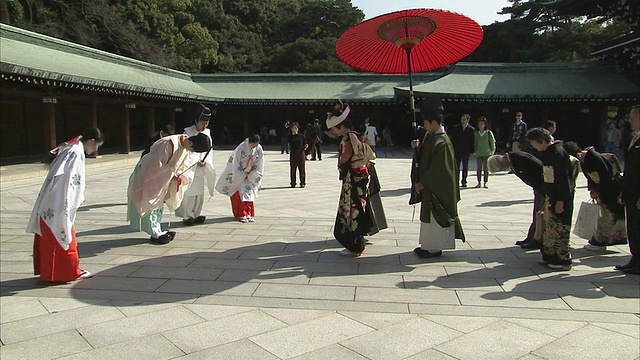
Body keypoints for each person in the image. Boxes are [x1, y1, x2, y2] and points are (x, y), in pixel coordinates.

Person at [27, 128, 104, 282]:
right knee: (64, 237)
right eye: (96, 146)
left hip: (53, 200)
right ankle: (68, 272)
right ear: (91, 141)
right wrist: (74, 198)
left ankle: (51, 274)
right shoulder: (75, 152)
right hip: (59, 202)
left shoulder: (71, 148)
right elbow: (70, 181)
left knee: (52, 239)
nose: (95, 150)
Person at [127, 133, 211, 244]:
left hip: (164, 177)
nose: (190, 151)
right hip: (149, 175)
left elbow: (182, 165)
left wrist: (178, 175)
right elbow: (155, 164)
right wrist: (171, 175)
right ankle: (154, 232)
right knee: (151, 201)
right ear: (191, 143)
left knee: (159, 203)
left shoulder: (184, 145)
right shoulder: (168, 143)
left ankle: (157, 229)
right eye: (192, 149)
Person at [411, 105, 465, 259]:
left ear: (434, 122)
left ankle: (435, 248)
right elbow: (425, 156)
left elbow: (440, 168)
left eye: (427, 123)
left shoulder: (443, 142)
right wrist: (417, 148)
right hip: (430, 185)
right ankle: (428, 245)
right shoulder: (431, 137)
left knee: (436, 216)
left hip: (436, 186)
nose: (425, 126)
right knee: (429, 217)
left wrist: (424, 182)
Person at [525, 127, 575, 271]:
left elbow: (563, 179)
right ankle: (549, 255)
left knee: (559, 228)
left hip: (560, 196)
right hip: (551, 195)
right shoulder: (549, 153)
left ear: (541, 141)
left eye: (533, 143)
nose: (533, 146)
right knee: (550, 228)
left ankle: (562, 259)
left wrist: (560, 200)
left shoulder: (557, 153)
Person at [326, 104, 372, 256]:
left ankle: (354, 246)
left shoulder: (348, 138)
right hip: (360, 177)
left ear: (340, 127)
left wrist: (341, 166)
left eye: (335, 129)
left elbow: (344, 159)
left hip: (352, 178)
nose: (333, 132)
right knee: (358, 207)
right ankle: (356, 243)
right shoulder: (355, 135)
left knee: (353, 210)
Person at [488, 151, 545, 250]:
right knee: (536, 214)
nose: (505, 169)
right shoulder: (514, 160)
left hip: (543, 188)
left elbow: (537, 171)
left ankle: (536, 240)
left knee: (539, 215)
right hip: (538, 188)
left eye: (502, 168)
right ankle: (531, 237)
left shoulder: (518, 158)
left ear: (502, 161)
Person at [574, 146, 626, 251]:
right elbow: (591, 178)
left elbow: (606, 176)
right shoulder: (587, 159)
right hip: (605, 189)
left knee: (608, 216)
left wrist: (599, 191)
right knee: (609, 215)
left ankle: (602, 240)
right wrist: (593, 189)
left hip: (610, 190)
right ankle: (615, 237)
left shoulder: (593, 158)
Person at [176, 105, 216, 226]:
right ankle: (187, 215)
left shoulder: (207, 132)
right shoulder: (187, 132)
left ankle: (197, 213)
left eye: (207, 123)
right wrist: (195, 162)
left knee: (200, 193)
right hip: (191, 167)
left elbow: (209, 150)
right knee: (190, 193)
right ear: (196, 121)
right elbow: (186, 151)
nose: (204, 126)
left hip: (202, 167)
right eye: (203, 123)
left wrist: (205, 160)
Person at [215, 134, 265, 223]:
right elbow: (235, 162)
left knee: (249, 193)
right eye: (253, 144)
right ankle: (242, 213)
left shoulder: (258, 148)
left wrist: (252, 173)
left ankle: (248, 213)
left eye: (256, 145)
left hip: (251, 173)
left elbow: (260, 162)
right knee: (241, 193)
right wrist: (241, 174)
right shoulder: (241, 147)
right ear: (249, 142)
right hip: (240, 174)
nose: (254, 147)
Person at [616, 105, 640, 275]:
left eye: (633, 118)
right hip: (631, 189)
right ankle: (635, 258)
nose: (630, 121)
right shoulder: (634, 137)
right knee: (632, 225)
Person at [448, 114, 475, 187]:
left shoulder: (471, 129)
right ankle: (456, 180)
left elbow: (472, 141)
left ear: (468, 120)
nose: (462, 120)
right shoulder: (457, 128)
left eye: (464, 119)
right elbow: (453, 139)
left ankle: (464, 181)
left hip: (466, 150)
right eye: (462, 119)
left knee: (465, 166)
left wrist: (472, 151)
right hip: (457, 149)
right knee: (456, 166)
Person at [473, 116, 495, 188]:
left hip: (486, 153)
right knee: (479, 168)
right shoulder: (476, 133)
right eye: (479, 124)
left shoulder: (488, 133)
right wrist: (475, 151)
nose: (480, 125)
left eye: (482, 124)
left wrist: (492, 151)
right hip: (479, 153)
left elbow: (492, 143)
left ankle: (485, 182)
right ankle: (479, 182)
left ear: (485, 125)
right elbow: (475, 143)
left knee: (486, 168)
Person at [287, 122, 307, 188]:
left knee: (302, 168)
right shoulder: (290, 136)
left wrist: (306, 146)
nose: (294, 129)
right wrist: (293, 134)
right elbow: (289, 143)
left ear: (298, 128)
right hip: (293, 153)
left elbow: (305, 143)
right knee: (293, 168)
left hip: (301, 152)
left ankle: (302, 182)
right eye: (293, 128)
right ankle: (293, 182)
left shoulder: (301, 136)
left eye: (296, 128)